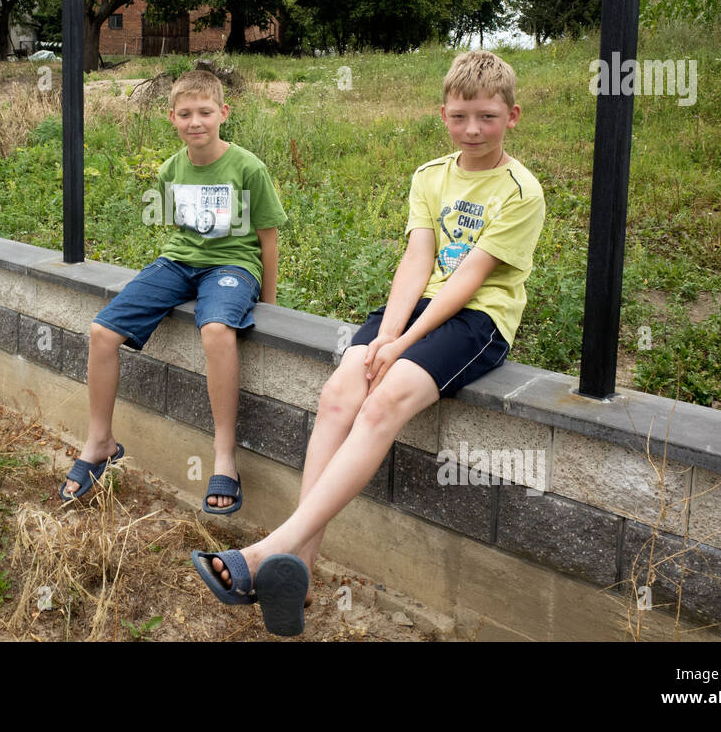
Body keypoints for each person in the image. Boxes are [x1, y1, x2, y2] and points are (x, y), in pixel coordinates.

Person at [193, 50, 546, 636]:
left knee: (382, 402)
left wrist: (404, 341)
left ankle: (265, 553)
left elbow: (469, 278)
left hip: (476, 320)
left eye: (486, 116)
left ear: (513, 115)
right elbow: (419, 259)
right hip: (413, 311)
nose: (472, 130)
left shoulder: (519, 190)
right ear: (443, 114)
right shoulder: (431, 175)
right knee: (338, 395)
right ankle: (299, 566)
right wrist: (386, 335)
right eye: (459, 117)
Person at [61, 69, 288, 513]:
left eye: (205, 111)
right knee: (102, 332)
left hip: (233, 265)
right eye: (185, 113)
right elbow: (181, 232)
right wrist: (171, 276)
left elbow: (269, 238)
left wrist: (271, 303)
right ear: (172, 118)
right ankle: (100, 440)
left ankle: (224, 456)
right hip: (179, 262)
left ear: (223, 113)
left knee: (217, 330)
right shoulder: (170, 169)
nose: (195, 121)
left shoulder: (248, 167)